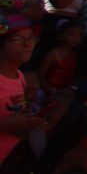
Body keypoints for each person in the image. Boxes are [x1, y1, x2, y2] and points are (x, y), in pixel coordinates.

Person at [0, 14, 46, 171]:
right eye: (18, 39)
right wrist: (6, 126)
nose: (27, 44)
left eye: (31, 38)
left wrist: (29, 121)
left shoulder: (20, 77)